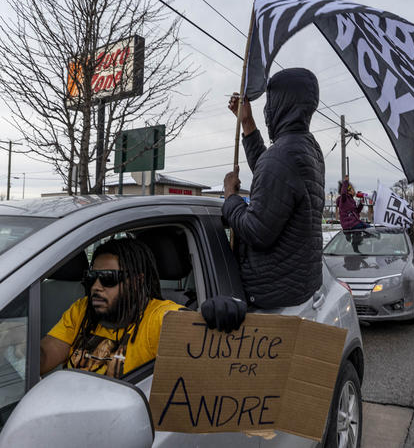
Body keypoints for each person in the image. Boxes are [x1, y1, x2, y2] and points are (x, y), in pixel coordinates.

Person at [39, 238, 245, 378]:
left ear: (137, 281)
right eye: (91, 277)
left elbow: (199, 340)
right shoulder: (82, 310)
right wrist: (17, 344)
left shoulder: (157, 317)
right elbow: (45, 357)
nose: (96, 287)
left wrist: (220, 315)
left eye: (108, 278)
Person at [221, 68, 325, 311]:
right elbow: (274, 185)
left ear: (282, 103)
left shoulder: (282, 156)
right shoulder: (307, 147)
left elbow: (256, 231)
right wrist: (247, 123)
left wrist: (230, 198)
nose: (267, 109)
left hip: (271, 299)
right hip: (294, 289)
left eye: (270, 101)